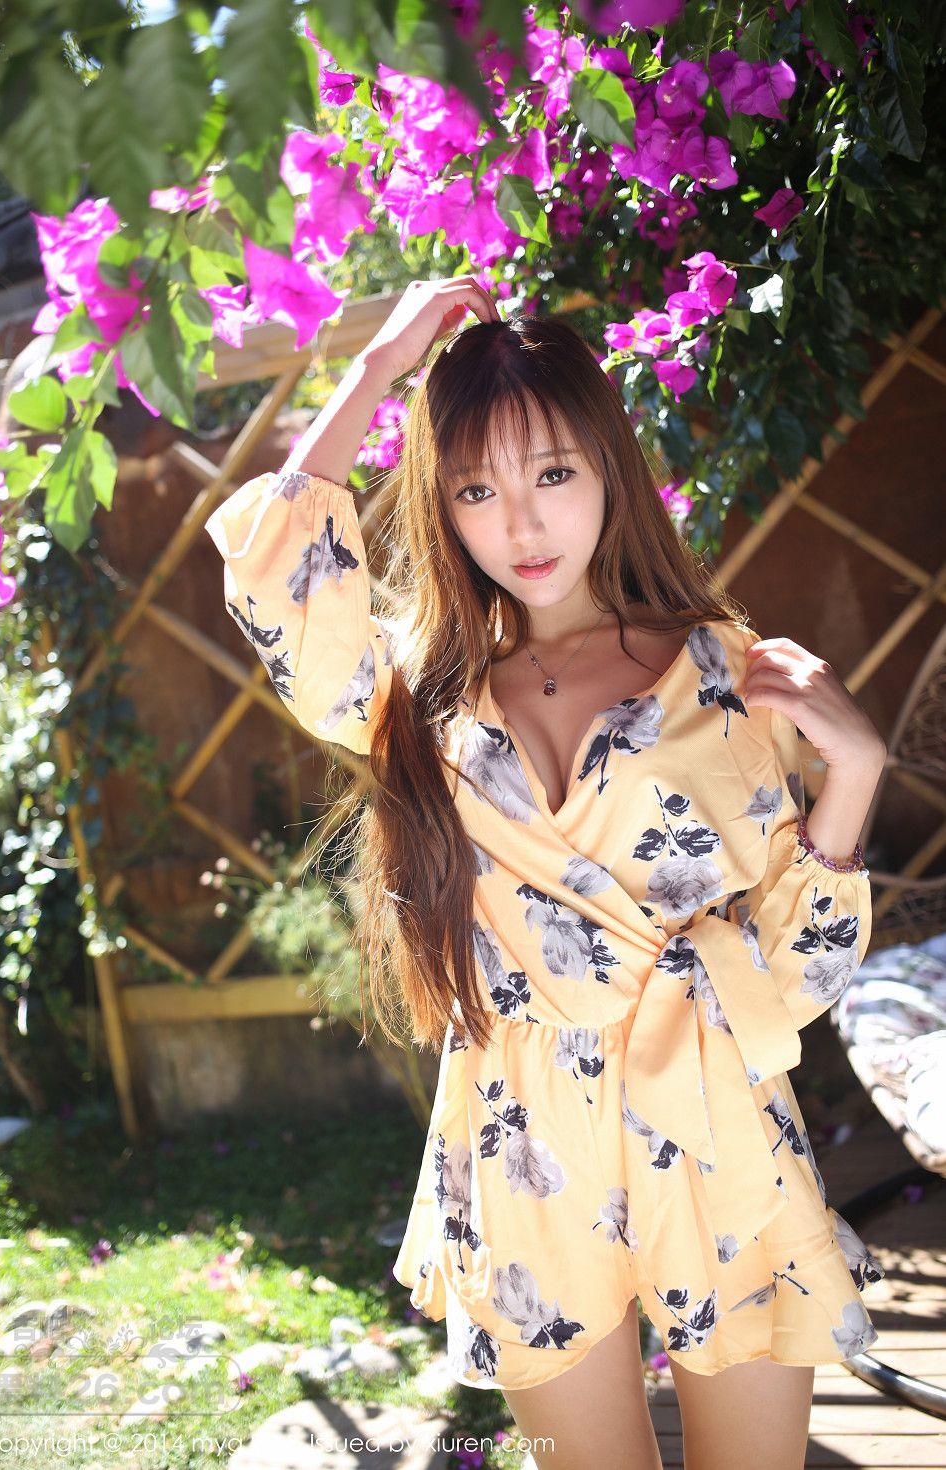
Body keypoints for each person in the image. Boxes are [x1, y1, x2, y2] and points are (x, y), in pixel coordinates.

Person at [204, 278, 889, 1469]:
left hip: (714, 1115)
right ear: (443, 507)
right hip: (519, 1131)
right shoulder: (417, 695)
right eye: (474, 489)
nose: (520, 523)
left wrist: (857, 771)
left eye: (553, 473)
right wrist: (377, 368)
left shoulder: (721, 672)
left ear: (610, 468)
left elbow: (795, 974)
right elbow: (280, 582)